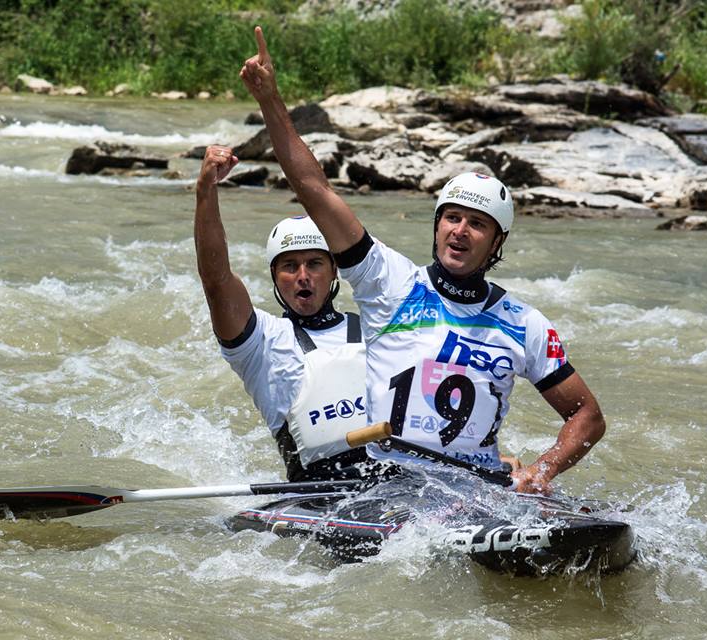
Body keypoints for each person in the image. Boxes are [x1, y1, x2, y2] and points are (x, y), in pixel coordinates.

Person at [239, 27, 607, 494]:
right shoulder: (388, 282)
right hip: (391, 485)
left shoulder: (525, 324)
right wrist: (271, 100)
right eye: (451, 217)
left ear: (496, 243)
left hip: (478, 490)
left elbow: (587, 417)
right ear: (436, 226)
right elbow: (315, 190)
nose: (460, 230)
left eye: (477, 223)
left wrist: (543, 469)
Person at [194, 144, 370, 482]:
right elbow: (216, 280)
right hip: (319, 493)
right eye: (290, 266)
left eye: (314, 263)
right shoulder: (260, 342)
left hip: (396, 479)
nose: (303, 276)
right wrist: (205, 192)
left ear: (334, 271)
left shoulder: (375, 328)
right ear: (275, 277)